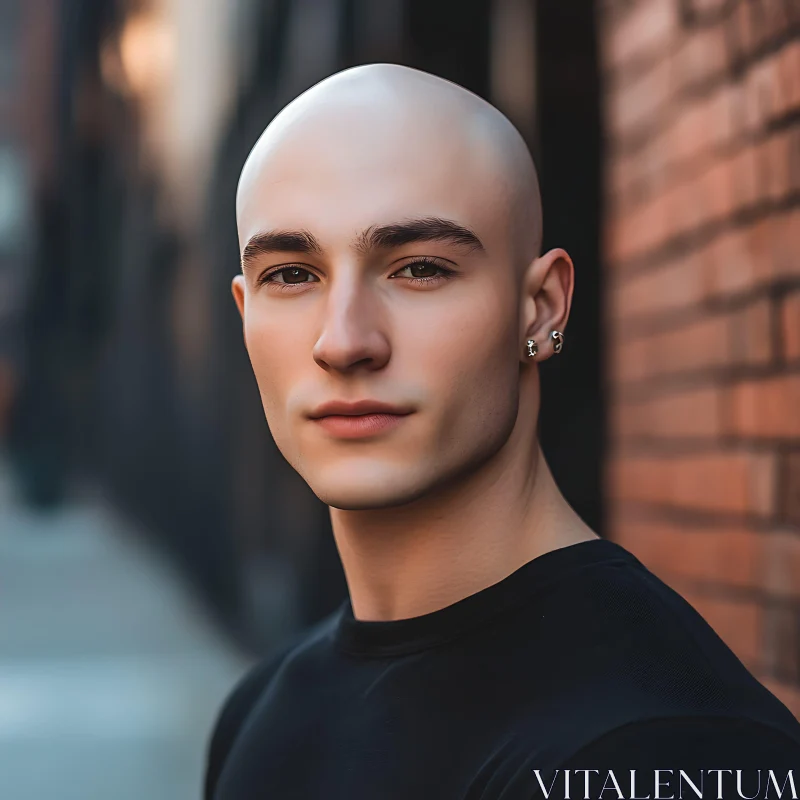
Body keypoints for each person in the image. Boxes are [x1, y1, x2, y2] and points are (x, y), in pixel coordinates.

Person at [204, 64, 800, 800]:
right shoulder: (257, 714)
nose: (344, 340)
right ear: (244, 315)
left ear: (542, 310)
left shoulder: (661, 747)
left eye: (419, 268)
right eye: (292, 276)